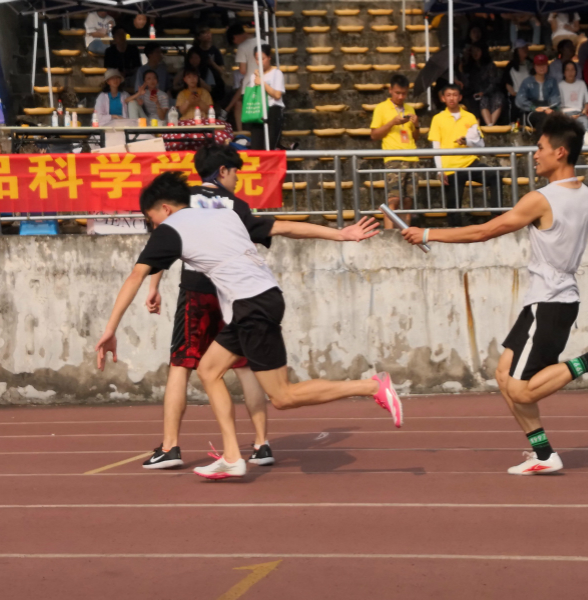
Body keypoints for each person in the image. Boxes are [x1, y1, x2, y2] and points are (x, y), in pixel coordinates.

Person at [96, 172, 403, 480]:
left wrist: (110, 330)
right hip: (261, 298)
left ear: (165, 208)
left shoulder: (170, 228)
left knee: (283, 397)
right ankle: (232, 457)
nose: (154, 227)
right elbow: (282, 227)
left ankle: (371, 386)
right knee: (209, 370)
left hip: (251, 304)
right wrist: (339, 234)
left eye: (151, 219)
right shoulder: (225, 214)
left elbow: (135, 276)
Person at [400, 113, 588, 475]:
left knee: (521, 390)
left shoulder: (541, 199)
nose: (534, 155)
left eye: (540, 148)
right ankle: (543, 454)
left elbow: (485, 231)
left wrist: (428, 234)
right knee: (503, 375)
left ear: (560, 152)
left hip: (551, 303)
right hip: (549, 302)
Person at [141, 145, 275, 468]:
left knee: (181, 364)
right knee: (243, 365)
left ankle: (170, 447)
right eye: (235, 171)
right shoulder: (237, 206)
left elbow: (166, 244)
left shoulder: (183, 201)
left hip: (196, 289)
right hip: (233, 290)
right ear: (222, 171)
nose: (237, 179)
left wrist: (154, 285)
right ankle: (261, 444)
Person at [429, 84, 501, 228]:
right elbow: (436, 146)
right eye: (448, 95)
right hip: (450, 166)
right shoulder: (437, 119)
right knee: (453, 205)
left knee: (494, 175)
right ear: (443, 98)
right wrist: (440, 170)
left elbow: (480, 144)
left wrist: (467, 141)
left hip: (470, 162)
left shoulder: (470, 116)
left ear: (460, 97)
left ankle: (497, 216)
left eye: (455, 95)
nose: (452, 98)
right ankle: (454, 230)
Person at [370, 73, 420, 229]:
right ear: (390, 90)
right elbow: (374, 135)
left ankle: (405, 233)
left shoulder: (410, 108)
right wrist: (392, 122)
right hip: (393, 159)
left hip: (412, 158)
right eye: (397, 93)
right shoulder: (381, 108)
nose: (400, 96)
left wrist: (417, 125)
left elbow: (416, 137)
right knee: (393, 199)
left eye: (404, 93)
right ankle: (389, 232)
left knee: (408, 200)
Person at [249, 44, 287, 151]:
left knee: (270, 146)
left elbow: (277, 95)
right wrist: (257, 79)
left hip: (272, 110)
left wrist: (262, 83)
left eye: (263, 59)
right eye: (257, 59)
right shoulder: (254, 76)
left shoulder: (276, 73)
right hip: (258, 111)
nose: (260, 62)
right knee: (256, 147)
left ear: (269, 57)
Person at [462, 43, 506, 125]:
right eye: (473, 51)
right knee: (483, 99)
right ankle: (489, 124)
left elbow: (493, 82)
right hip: (477, 93)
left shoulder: (490, 65)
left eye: (477, 50)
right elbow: (470, 84)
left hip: (491, 91)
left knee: (498, 98)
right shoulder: (470, 67)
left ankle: (490, 125)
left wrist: (484, 92)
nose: (475, 53)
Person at [515, 53, 560, 133]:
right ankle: (542, 139)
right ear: (534, 66)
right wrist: (534, 108)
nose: (541, 68)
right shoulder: (527, 82)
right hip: (530, 111)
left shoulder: (552, 81)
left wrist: (550, 108)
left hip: (548, 109)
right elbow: (520, 99)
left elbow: (555, 97)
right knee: (542, 118)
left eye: (544, 65)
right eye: (538, 65)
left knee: (557, 118)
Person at [231, 23, 259, 132]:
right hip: (263, 82)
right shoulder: (262, 42)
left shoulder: (242, 47)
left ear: (235, 37)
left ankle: (241, 132)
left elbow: (242, 70)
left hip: (249, 85)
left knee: (240, 103)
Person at [502, 40, 533, 123]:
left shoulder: (530, 64)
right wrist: (514, 93)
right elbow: (507, 83)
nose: (526, 50)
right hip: (516, 95)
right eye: (523, 48)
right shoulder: (510, 66)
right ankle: (514, 124)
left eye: (526, 47)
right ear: (517, 51)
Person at [194, 26, 227, 104]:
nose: (208, 35)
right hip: (198, 83)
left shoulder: (215, 50)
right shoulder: (194, 51)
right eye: (205, 33)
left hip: (215, 84)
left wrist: (212, 63)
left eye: (209, 33)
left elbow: (221, 70)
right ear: (199, 37)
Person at [558, 61, 588, 130]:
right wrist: (566, 116)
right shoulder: (560, 85)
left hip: (579, 113)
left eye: (572, 69)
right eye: (567, 70)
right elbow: (558, 106)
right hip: (565, 114)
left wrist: (584, 111)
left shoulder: (581, 84)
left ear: (576, 71)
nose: (570, 72)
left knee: (585, 122)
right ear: (564, 72)